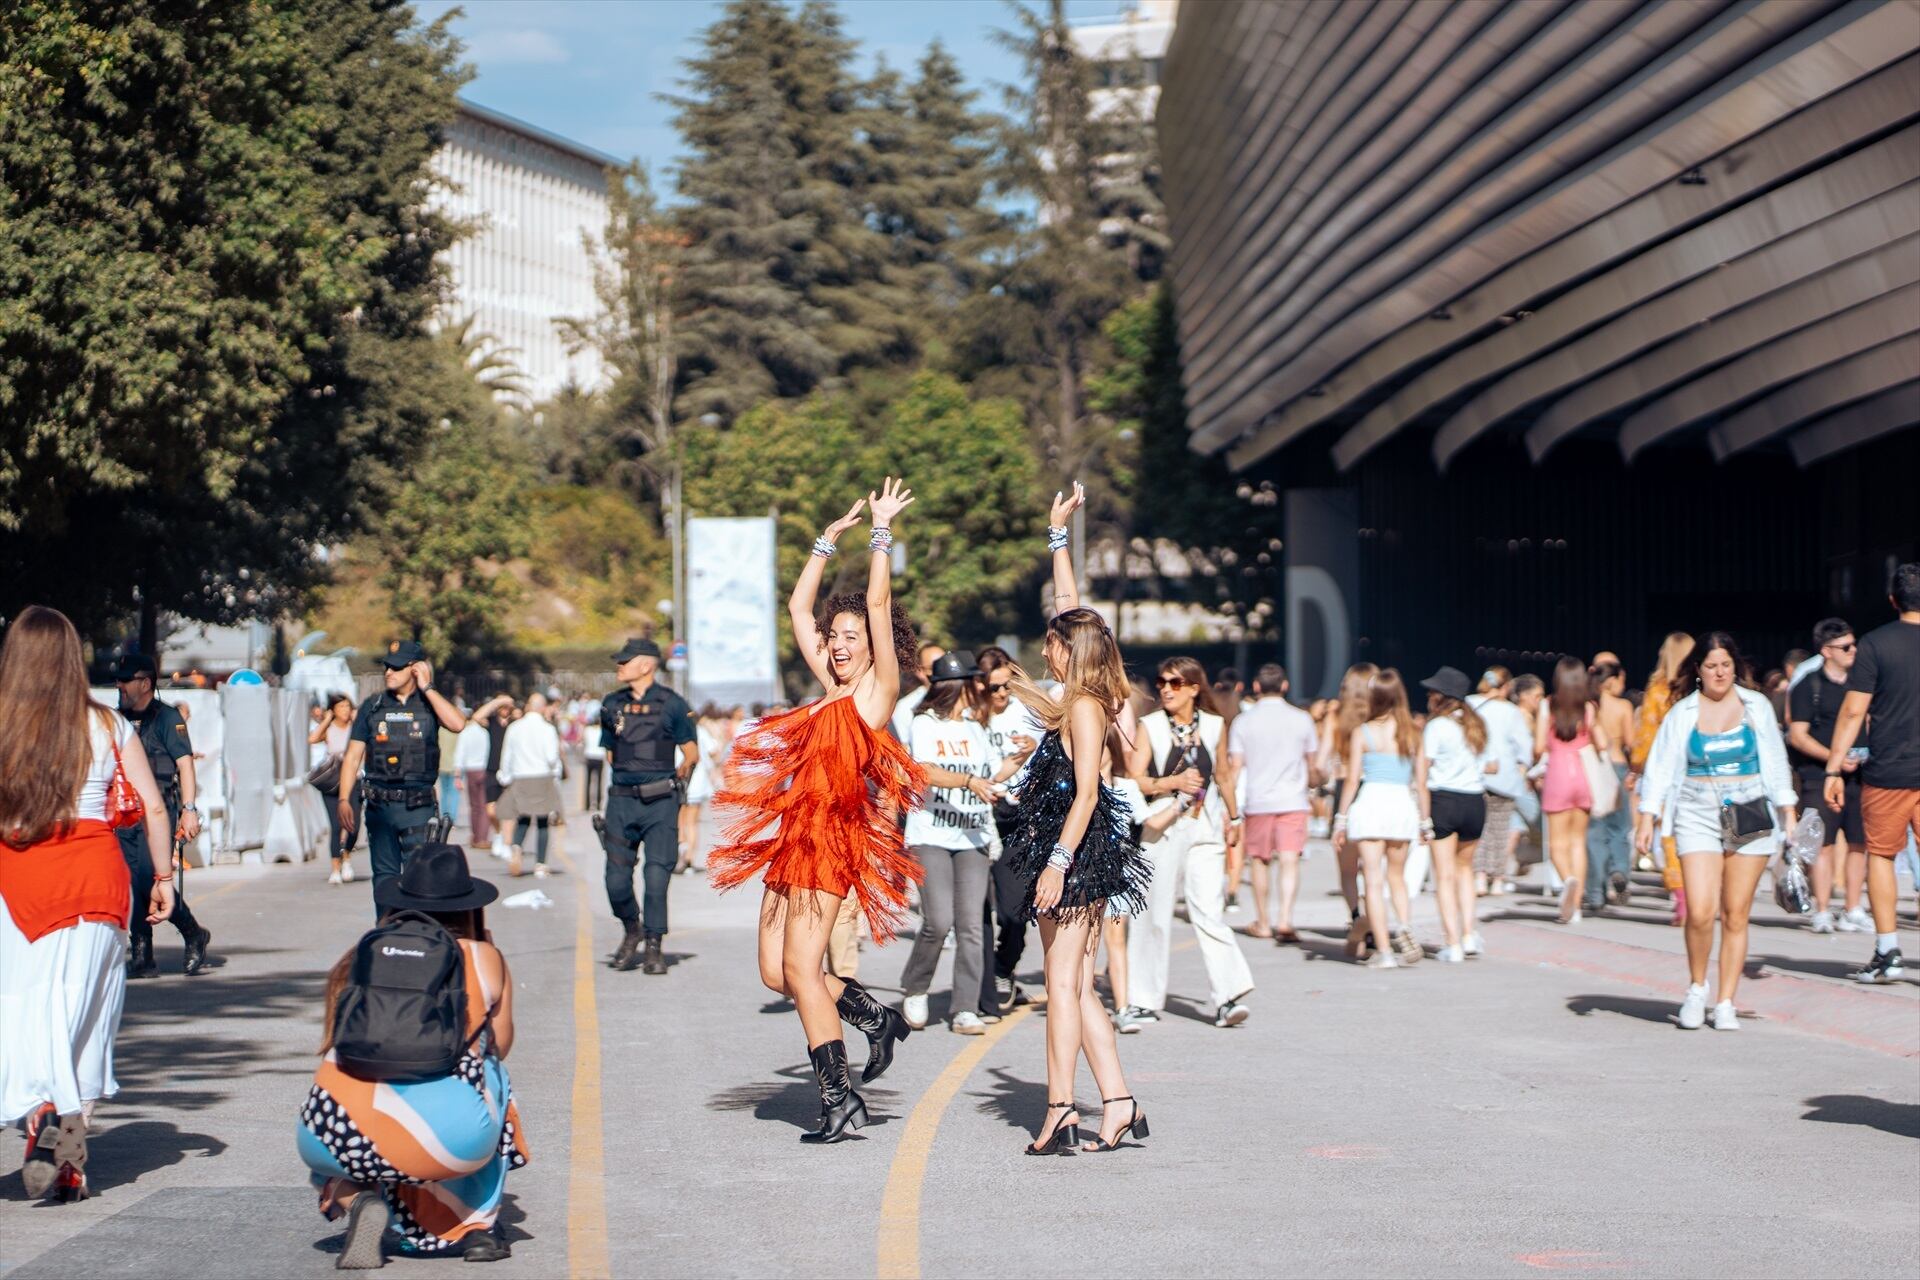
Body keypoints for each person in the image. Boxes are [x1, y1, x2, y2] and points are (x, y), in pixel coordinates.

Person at [708, 479, 924, 1144]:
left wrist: (880, 533)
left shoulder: (875, 694)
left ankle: (839, 1099)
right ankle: (873, 1017)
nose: (836, 643)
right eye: (834, 636)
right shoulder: (830, 686)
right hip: (791, 838)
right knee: (777, 972)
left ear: (873, 641)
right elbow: (799, 608)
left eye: (851, 635)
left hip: (831, 841)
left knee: (803, 970)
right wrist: (827, 540)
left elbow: (880, 601)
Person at [998, 481, 1153, 1154]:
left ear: (1071, 652)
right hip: (1069, 848)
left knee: (1062, 987)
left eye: (1053, 644)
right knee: (1078, 988)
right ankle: (1118, 1101)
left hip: (1076, 852)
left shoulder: (1088, 706)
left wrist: (1058, 866)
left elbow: (1088, 793)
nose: (1045, 648)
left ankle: (1061, 1108)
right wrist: (1057, 535)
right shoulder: (1079, 693)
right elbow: (1071, 610)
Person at [0, 606, 174, 1203]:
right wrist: (165, 876)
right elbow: (153, 806)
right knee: (90, 1015)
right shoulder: (110, 726)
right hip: (102, 880)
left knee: (32, 1007)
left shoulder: (2, 727)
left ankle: (46, 1108)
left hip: (24, 882)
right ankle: (72, 1143)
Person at [298, 843, 526, 1265]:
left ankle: (357, 1199)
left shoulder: (365, 952)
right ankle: (476, 1227)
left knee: (349, 1105)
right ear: (469, 906)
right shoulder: (484, 956)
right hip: (446, 1139)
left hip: (330, 1133)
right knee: (489, 1071)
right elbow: (501, 1044)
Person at [1636, 633, 1797, 1029]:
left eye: (1725, 664)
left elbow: (1775, 762)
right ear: (1698, 671)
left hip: (1747, 809)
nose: (1719, 672)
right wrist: (1647, 816)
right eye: (1711, 665)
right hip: (1696, 811)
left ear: (1735, 666)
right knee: (1701, 911)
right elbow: (1659, 767)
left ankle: (1726, 1000)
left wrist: (1788, 809)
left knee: (1736, 913)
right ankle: (1696, 987)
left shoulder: (1755, 706)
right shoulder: (1683, 712)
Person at [899, 650, 1028, 1035]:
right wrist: (969, 782)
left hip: (971, 834)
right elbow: (923, 770)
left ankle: (965, 1007)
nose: (981, 688)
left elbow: (992, 774)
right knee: (938, 921)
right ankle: (916, 987)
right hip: (931, 833)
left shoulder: (977, 728)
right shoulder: (925, 723)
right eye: (975, 682)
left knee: (972, 924)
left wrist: (1021, 757)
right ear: (955, 687)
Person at [1125, 656, 1255, 1029]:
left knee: (1209, 911)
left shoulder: (1214, 726)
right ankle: (1142, 999)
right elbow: (1135, 779)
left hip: (1205, 827)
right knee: (1153, 913)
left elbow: (1226, 776)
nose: (1166, 688)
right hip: (1163, 826)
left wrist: (1234, 817)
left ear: (1195, 689)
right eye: (1162, 681)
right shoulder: (1149, 725)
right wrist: (1172, 784)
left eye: (1175, 683)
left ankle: (1228, 996)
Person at [1823, 563, 1920, 984]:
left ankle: (1888, 952)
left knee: (1881, 855)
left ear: (1893, 600)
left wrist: (1832, 767)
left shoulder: (1875, 644)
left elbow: (1853, 710)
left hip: (1889, 772)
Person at [336, 642, 468, 916]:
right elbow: (352, 757)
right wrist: (343, 799)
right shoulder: (373, 706)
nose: (389, 671)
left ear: (417, 668)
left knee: (420, 879)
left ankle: (417, 934)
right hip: (380, 808)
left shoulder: (430, 704)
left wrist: (428, 687)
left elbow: (457, 724)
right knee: (384, 879)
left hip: (418, 808)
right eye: (387, 665)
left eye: (397, 666)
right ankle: (385, 934)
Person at [595, 639, 698, 975]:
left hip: (660, 804)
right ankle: (631, 928)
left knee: (656, 877)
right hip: (622, 802)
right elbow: (610, 751)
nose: (619, 666)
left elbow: (691, 753)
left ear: (647, 665)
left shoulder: (672, 704)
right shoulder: (611, 704)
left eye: (626, 660)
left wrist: (676, 782)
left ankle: (654, 944)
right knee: (615, 881)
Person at [113, 653, 212, 977]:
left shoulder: (167, 718)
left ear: (145, 683)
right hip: (123, 810)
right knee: (130, 879)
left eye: (126, 680)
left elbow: (185, 765)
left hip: (159, 809)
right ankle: (142, 953)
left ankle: (192, 931)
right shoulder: (116, 719)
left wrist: (189, 810)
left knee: (148, 875)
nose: (120, 686)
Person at [1335, 668, 1429, 968]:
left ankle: (1385, 951)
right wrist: (1426, 821)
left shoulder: (1363, 732)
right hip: (1402, 804)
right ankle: (1404, 925)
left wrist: (1340, 819)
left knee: (1372, 881)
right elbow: (1422, 783)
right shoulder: (1413, 732)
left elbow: (1351, 781)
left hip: (1371, 803)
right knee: (1397, 877)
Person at [1227, 663, 1318, 943]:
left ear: (1256, 687)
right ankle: (1285, 920)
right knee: (1290, 861)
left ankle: (1264, 921)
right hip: (1293, 799)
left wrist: (1228, 805)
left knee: (1260, 861)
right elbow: (1312, 765)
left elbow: (1235, 767)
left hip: (1258, 800)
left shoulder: (1243, 721)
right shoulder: (1303, 719)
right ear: (1285, 685)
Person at [1788, 618, 1868, 933]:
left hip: (1860, 775)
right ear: (1826, 650)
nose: (1853, 651)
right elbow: (1797, 735)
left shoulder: (1862, 682)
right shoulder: (1809, 686)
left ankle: (1853, 908)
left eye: (1854, 644)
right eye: (1845, 647)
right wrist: (1834, 758)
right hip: (1819, 776)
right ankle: (1821, 910)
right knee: (1822, 843)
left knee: (1860, 843)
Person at [977, 647, 1042, 1017]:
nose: (1001, 694)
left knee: (1016, 911)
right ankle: (986, 983)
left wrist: (1034, 748)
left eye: (1006, 686)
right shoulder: (972, 717)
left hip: (1018, 814)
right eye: (993, 687)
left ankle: (1004, 967)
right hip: (980, 813)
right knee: (978, 911)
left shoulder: (1027, 711)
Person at [1421, 666, 1490, 962]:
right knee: (1465, 871)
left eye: (1432, 692)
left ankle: (1452, 943)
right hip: (1475, 801)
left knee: (1445, 876)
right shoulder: (1475, 725)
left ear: (1442, 696)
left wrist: (1423, 816)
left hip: (1444, 800)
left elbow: (1422, 771)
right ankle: (1468, 933)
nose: (1428, 696)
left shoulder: (1436, 727)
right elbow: (1490, 765)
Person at [1536, 656, 1611, 925]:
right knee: (1578, 842)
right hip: (1583, 777)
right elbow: (1603, 744)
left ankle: (1567, 879)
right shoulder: (1589, 708)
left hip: (1557, 774)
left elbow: (1537, 747)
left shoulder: (1548, 706)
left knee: (1557, 843)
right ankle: (1576, 905)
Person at [1631, 632, 1695, 925]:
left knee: (1670, 836)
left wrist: (1639, 766)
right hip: (1699, 767)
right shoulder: (1698, 688)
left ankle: (1682, 898)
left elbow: (1646, 737)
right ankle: (1702, 893)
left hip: (1667, 770)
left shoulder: (1656, 690)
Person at [1319, 663, 1378, 953]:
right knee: (1373, 866)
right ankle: (1374, 920)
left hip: (1345, 789)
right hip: (1376, 789)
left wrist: (1315, 777)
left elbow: (1320, 764)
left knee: (1347, 868)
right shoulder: (1380, 715)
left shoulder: (1335, 716)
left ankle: (1356, 916)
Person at [1469, 668, 1532, 898]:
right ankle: (1497, 879)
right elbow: (1524, 746)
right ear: (1506, 687)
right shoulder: (1510, 711)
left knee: (1480, 830)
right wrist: (1523, 768)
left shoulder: (1470, 704)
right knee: (1500, 829)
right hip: (1504, 777)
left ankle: (1478, 877)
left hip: (1474, 775)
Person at [1586, 660, 1635, 914]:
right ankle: (1620, 869)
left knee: (1596, 831)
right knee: (1620, 827)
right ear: (1612, 680)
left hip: (1594, 769)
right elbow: (1630, 741)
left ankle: (1595, 890)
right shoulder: (1623, 706)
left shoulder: (1588, 704)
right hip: (1617, 766)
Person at [497, 691, 563, 879]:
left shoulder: (515, 727)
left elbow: (507, 754)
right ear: (542, 708)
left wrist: (505, 775)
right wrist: (556, 775)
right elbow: (552, 757)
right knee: (543, 820)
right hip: (542, 776)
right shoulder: (548, 728)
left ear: (527, 706)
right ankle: (541, 864)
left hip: (520, 776)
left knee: (523, 817)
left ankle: (516, 847)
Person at [309, 693, 361, 885]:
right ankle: (335, 868)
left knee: (353, 826)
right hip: (333, 784)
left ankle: (346, 854)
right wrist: (327, 719)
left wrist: (359, 719)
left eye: (348, 706)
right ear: (333, 710)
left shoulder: (357, 729)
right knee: (336, 826)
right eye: (341, 707)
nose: (345, 711)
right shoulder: (329, 729)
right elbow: (313, 738)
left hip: (355, 782)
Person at [452, 701, 498, 851]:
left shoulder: (466, 732)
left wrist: (457, 774)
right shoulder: (484, 733)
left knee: (474, 806)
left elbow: (460, 753)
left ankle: (476, 835)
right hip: (483, 769)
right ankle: (483, 837)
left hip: (470, 770)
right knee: (483, 804)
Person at [889, 642, 946, 741]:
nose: (944, 672)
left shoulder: (963, 703)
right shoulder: (905, 708)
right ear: (920, 671)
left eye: (946, 666)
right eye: (935, 667)